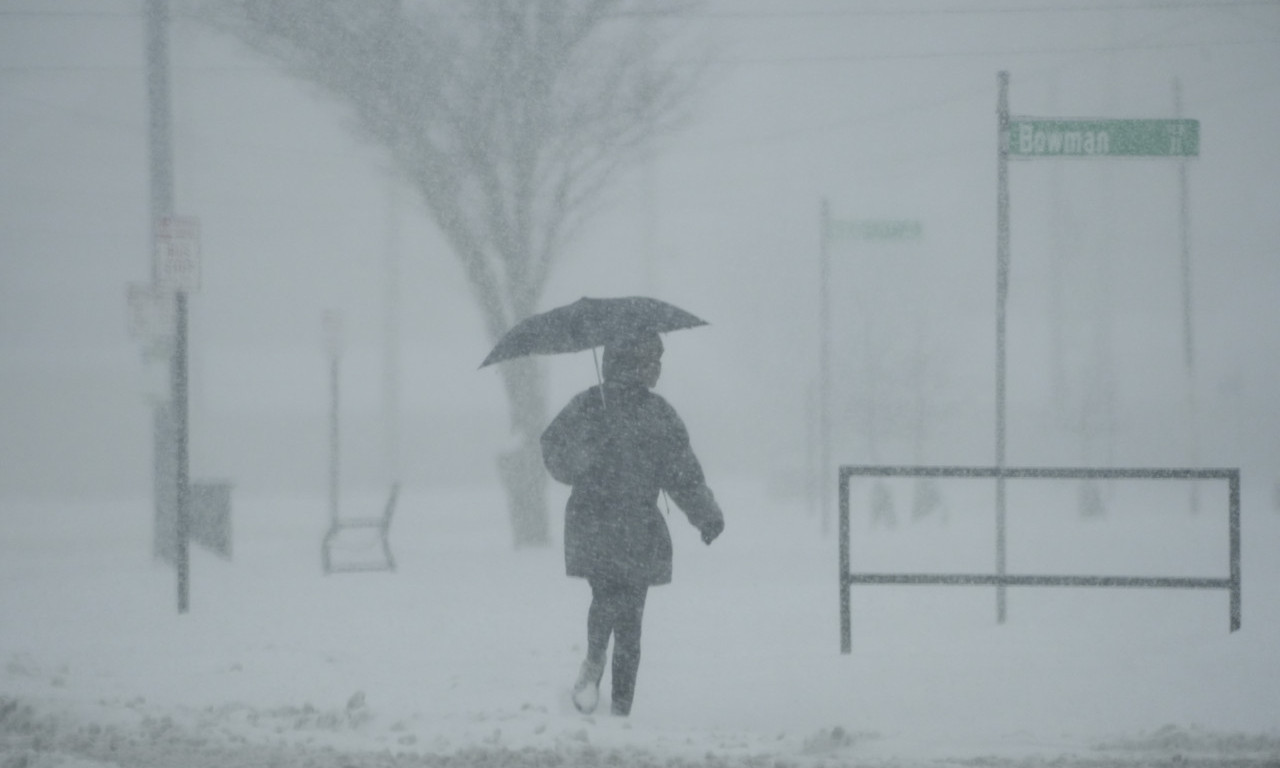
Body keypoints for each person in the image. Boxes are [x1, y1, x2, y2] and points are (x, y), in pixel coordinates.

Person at [540, 331, 724, 717]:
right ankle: (610, 689)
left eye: (658, 361)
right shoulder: (647, 413)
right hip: (621, 525)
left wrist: (705, 514)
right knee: (622, 610)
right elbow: (683, 474)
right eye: (651, 361)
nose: (657, 368)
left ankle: (609, 688)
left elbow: (682, 474)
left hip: (608, 524)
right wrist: (704, 514)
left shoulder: (597, 406)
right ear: (630, 364)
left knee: (619, 609)